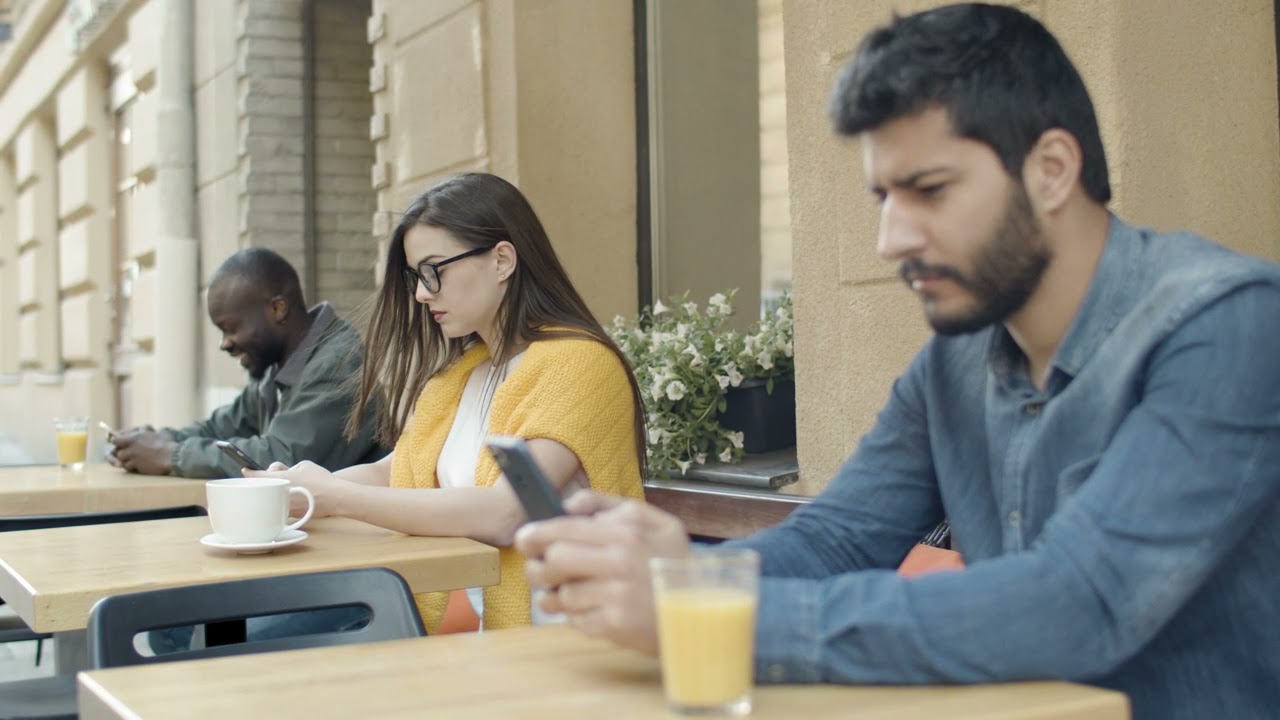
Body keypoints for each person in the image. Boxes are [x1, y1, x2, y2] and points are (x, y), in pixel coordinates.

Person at [514, 5, 1280, 719]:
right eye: (882, 196)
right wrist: (676, 572)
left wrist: (705, 612)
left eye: (929, 190)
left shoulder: (1227, 325)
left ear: (1052, 169)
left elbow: (1084, 603)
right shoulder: (956, 360)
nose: (891, 240)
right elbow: (836, 540)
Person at [250, 172, 647, 632]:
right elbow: (395, 471)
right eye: (417, 276)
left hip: (564, 643)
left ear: (502, 260)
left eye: (434, 270)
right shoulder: (462, 375)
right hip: (474, 629)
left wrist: (337, 499)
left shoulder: (580, 365)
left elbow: (505, 513)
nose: (421, 293)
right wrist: (297, 492)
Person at [108, 247, 387, 478]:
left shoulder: (338, 363)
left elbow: (282, 459)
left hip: (362, 536)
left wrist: (170, 454)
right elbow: (219, 429)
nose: (225, 343)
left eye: (231, 328)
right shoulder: (277, 367)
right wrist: (152, 442)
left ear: (277, 309)